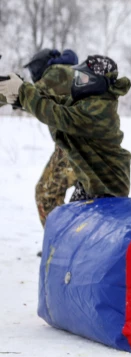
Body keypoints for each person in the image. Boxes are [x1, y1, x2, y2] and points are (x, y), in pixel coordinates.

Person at [0, 54, 131, 208]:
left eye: (82, 78)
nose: (77, 82)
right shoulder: (88, 102)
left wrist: (23, 90)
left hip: (109, 191)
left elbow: (54, 113)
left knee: (78, 228)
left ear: (97, 83)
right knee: (68, 224)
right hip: (92, 185)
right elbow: (54, 102)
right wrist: (19, 98)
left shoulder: (97, 110)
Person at [21, 48, 79, 227]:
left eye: (34, 69)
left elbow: (30, 94)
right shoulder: (64, 74)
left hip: (75, 146)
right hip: (75, 145)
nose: (33, 75)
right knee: (79, 202)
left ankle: (59, 244)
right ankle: (65, 244)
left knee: (46, 194)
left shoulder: (58, 72)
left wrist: (13, 92)